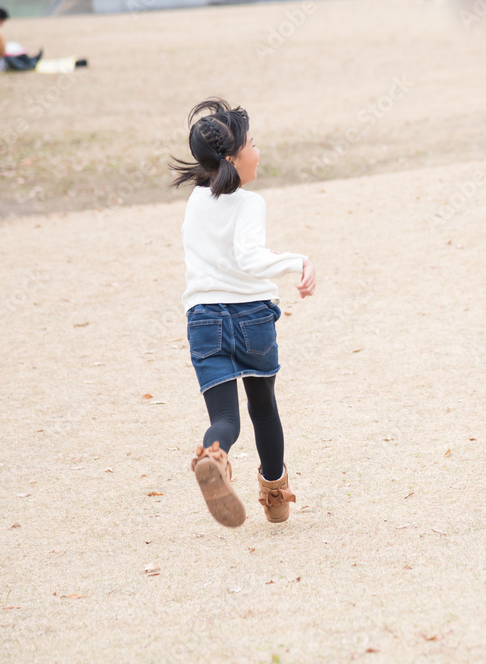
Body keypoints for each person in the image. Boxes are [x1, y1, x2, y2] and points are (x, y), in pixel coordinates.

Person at [171, 98, 316, 528]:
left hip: (204, 320)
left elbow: (230, 253)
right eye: (252, 143)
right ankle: (274, 491)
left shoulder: (196, 202)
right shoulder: (250, 204)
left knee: (224, 418)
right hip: (250, 317)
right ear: (233, 157)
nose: (258, 151)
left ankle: (214, 455)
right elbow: (249, 258)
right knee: (263, 406)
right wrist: (297, 261)